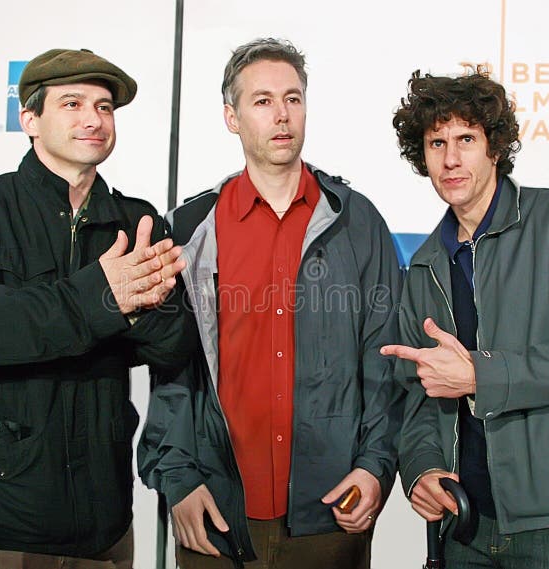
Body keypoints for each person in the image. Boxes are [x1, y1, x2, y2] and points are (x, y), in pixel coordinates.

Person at [0, 48, 195, 569]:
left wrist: (144, 307)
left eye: (105, 107)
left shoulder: (137, 221)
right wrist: (99, 298)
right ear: (30, 119)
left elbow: (174, 347)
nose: (93, 119)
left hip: (105, 525)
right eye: (72, 103)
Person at [137, 38, 403, 569]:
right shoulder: (191, 228)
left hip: (331, 512)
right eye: (262, 101)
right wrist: (180, 479)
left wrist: (375, 467)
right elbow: (172, 370)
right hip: (216, 512)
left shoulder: (357, 221)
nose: (282, 115)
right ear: (232, 118)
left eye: (293, 98)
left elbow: (386, 359)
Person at [382, 69, 549, 568]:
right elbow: (414, 393)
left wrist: (481, 374)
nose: (451, 158)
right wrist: (421, 470)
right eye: (436, 142)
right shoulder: (425, 264)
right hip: (467, 523)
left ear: (495, 148)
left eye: (466, 139)